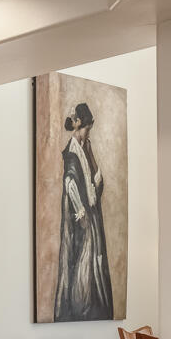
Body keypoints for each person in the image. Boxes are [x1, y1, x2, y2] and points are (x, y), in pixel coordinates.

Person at [52, 101, 115, 321]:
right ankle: (81, 307)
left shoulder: (85, 150)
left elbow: (98, 182)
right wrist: (81, 215)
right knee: (83, 266)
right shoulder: (71, 153)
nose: (88, 134)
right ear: (79, 125)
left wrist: (91, 153)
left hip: (91, 218)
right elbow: (70, 184)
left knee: (94, 265)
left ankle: (94, 308)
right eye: (87, 129)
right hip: (83, 222)